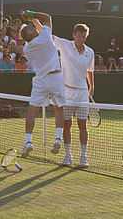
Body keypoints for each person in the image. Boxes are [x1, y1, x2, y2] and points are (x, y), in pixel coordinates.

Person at [20, 10, 65, 157]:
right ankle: (58, 139)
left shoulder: (27, 48)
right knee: (59, 109)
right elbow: (47, 17)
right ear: (32, 34)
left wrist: (32, 21)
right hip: (56, 78)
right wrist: (31, 14)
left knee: (32, 110)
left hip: (41, 80)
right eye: (32, 28)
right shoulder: (45, 37)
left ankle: (28, 142)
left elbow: (38, 29)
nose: (34, 28)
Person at [54, 24, 94, 167]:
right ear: (74, 35)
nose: (81, 38)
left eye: (83, 36)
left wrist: (91, 87)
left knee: (82, 126)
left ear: (86, 37)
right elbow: (48, 36)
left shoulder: (90, 52)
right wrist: (35, 21)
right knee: (67, 125)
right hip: (67, 93)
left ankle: (83, 156)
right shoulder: (65, 45)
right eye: (79, 35)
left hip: (82, 94)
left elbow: (90, 71)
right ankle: (68, 155)